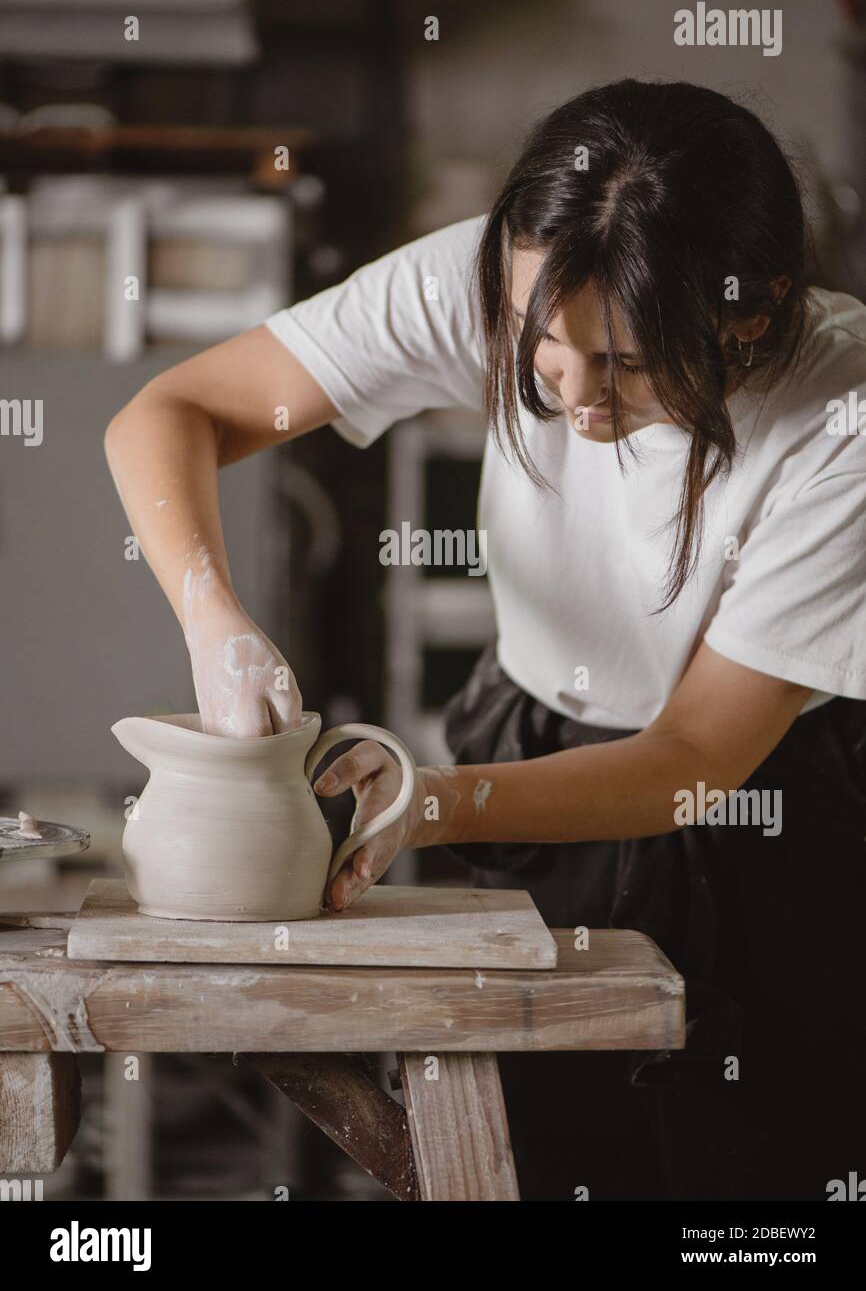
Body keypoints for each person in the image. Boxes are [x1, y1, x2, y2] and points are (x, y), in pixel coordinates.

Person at [106, 79, 866, 1200]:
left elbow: (690, 760)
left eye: (621, 364)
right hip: (536, 730)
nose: (567, 391)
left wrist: (440, 799)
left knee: (766, 1172)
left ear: (749, 315)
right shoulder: (501, 274)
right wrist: (214, 618)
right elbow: (172, 414)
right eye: (539, 345)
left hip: (765, 794)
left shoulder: (839, 410)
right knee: (542, 1150)